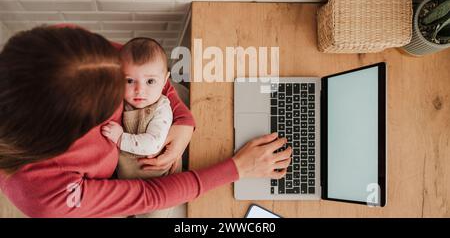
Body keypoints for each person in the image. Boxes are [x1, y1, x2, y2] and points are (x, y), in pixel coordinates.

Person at [0, 26, 291, 218]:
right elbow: (147, 195)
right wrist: (238, 168)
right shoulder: (43, 194)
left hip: (150, 128)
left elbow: (148, 76)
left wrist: (184, 122)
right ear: (69, 138)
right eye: (112, 98)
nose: (127, 93)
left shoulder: (67, 51)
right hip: (120, 183)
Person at [102, 37, 178, 218]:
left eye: (150, 81)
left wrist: (121, 138)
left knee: (156, 214)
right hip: (127, 175)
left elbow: (153, 144)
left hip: (158, 178)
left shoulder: (161, 108)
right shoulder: (122, 101)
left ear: (165, 79)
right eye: (129, 81)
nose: (139, 90)